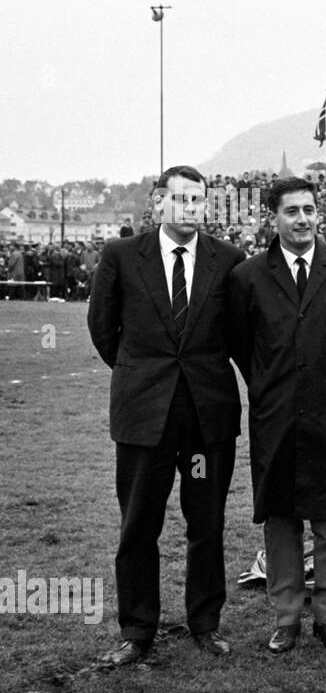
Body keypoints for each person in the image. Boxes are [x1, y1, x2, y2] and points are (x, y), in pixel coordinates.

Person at [87, 165, 245, 665]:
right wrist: (142, 375)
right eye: (180, 200)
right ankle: (137, 631)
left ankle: (205, 622)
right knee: (138, 525)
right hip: (144, 414)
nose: (190, 209)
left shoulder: (228, 259)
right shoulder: (121, 256)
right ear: (157, 203)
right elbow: (103, 328)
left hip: (207, 415)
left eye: (198, 201)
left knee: (207, 523)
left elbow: (238, 336)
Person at [228, 177, 326, 654]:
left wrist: (325, 378)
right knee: (282, 515)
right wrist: (273, 384)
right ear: (274, 217)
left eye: (309, 209)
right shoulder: (248, 277)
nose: (303, 219)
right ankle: (287, 616)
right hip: (277, 414)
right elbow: (242, 345)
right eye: (292, 211)